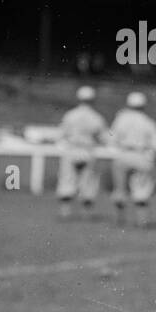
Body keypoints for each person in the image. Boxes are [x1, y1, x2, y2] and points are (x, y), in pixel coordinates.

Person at [108, 91, 156, 228]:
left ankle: (118, 220)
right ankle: (142, 221)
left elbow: (111, 139)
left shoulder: (120, 119)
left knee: (120, 189)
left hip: (124, 154)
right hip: (141, 156)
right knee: (141, 191)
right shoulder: (148, 122)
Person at [55, 85, 108, 219]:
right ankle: (87, 214)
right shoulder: (96, 117)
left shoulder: (70, 115)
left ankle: (65, 212)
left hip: (72, 149)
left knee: (67, 181)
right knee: (88, 183)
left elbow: (62, 133)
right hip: (87, 151)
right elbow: (103, 138)